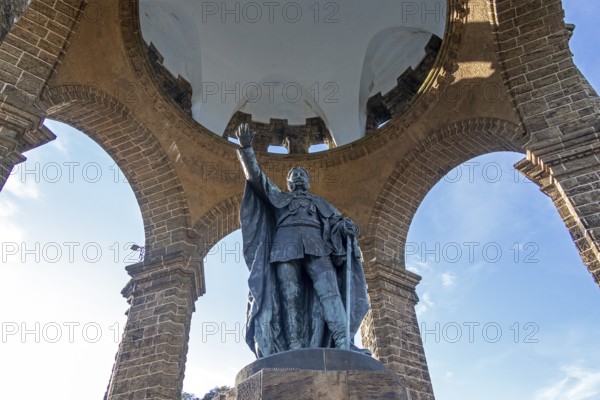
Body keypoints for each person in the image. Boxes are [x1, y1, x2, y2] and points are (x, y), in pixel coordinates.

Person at [235, 123, 370, 358]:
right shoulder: (279, 197)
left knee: (330, 294)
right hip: (284, 249)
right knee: (290, 299)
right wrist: (247, 150)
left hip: (318, 248)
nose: (298, 176)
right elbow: (257, 179)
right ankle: (295, 348)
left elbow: (338, 222)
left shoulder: (321, 202)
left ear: (308, 181)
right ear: (288, 183)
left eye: (302, 174)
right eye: (293, 175)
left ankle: (342, 342)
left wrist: (347, 227)